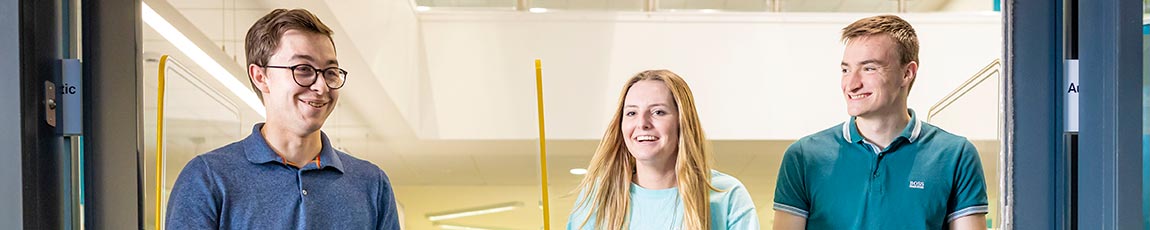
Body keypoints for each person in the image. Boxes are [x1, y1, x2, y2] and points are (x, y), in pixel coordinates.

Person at [165, 9, 401, 229]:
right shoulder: (207, 178)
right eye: (303, 69)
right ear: (261, 76)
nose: (321, 86)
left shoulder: (372, 184)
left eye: (330, 72)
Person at [771, 15, 988, 230]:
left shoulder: (956, 156)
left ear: (907, 73)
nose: (852, 84)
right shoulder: (803, 158)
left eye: (869, 68)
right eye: (846, 70)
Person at [567, 70, 759, 229]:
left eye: (658, 112)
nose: (642, 123)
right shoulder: (597, 197)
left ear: (682, 122)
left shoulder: (727, 195)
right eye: (632, 113)